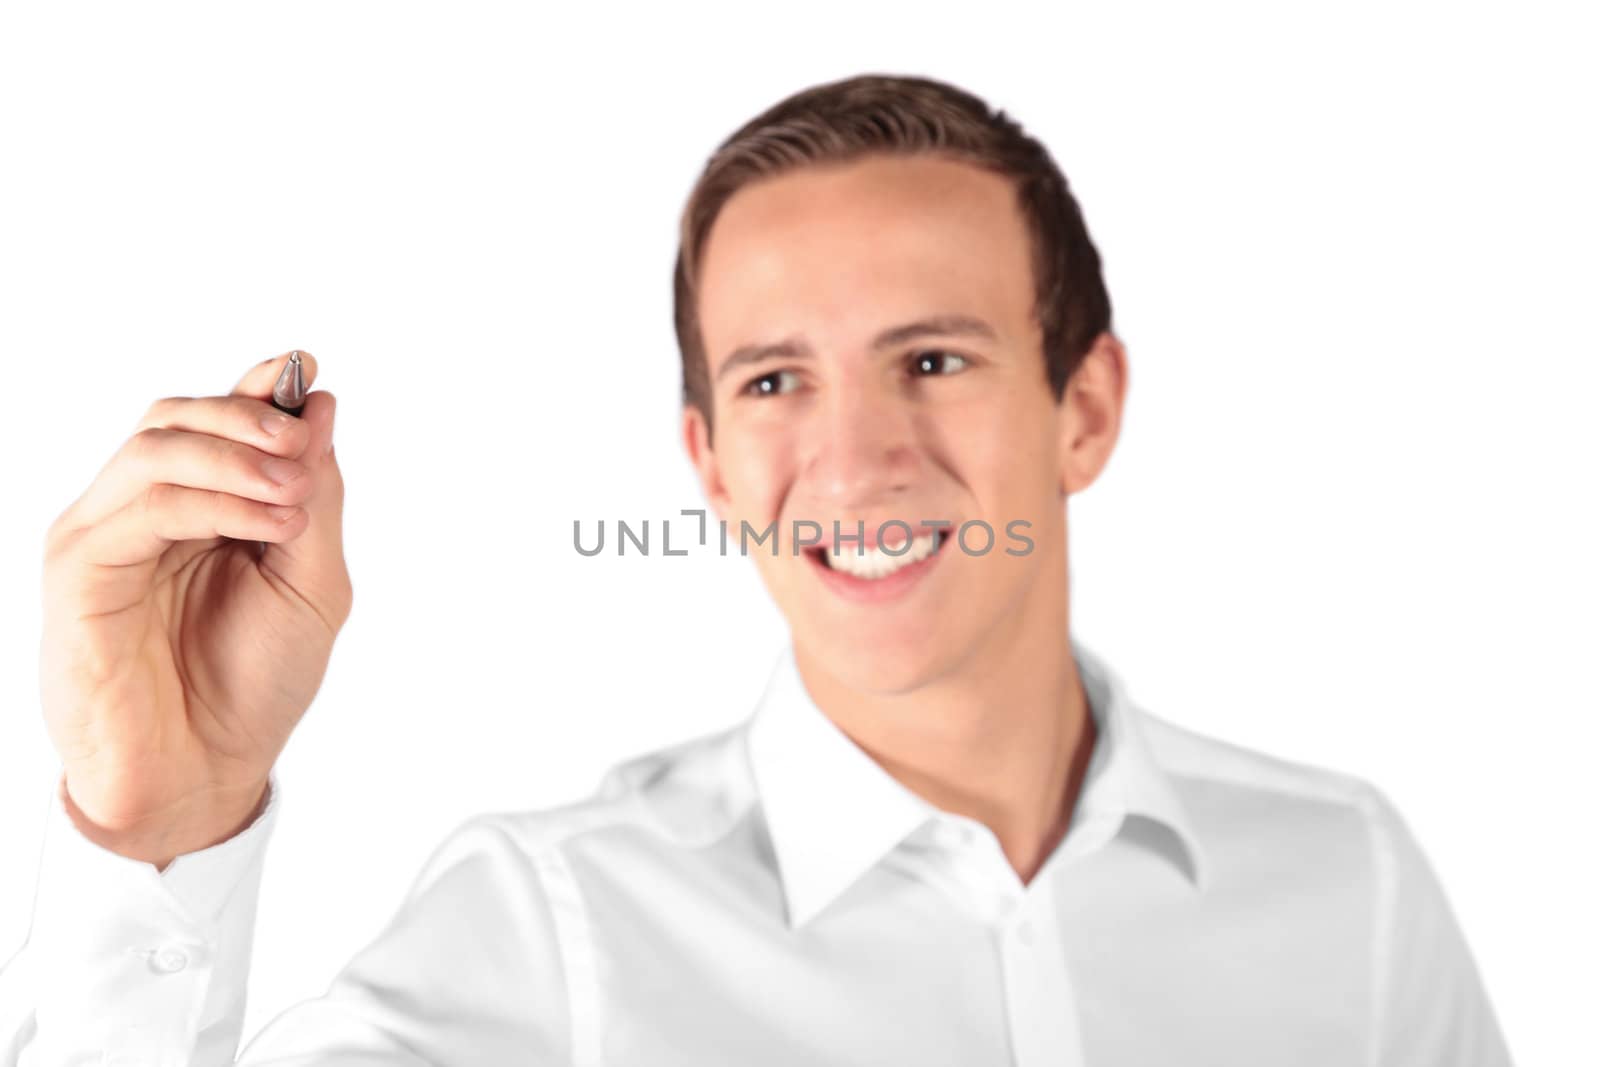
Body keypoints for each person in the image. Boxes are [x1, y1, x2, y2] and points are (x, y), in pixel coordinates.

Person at [0, 72, 1511, 1066]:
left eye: (932, 357)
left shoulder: (1349, 887)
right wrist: (160, 826)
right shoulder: (549, 934)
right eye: (777, 382)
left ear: (1087, 406)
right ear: (709, 461)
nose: (855, 463)